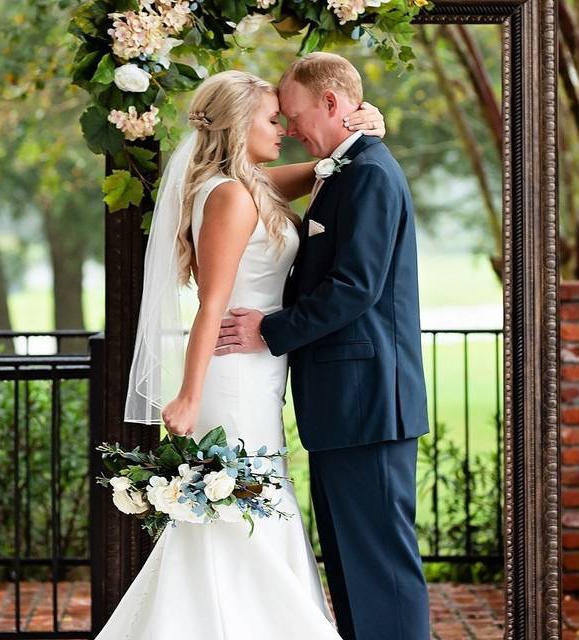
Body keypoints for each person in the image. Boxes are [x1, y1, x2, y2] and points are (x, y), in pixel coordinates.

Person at [97, 69, 386, 639]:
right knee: (236, 514)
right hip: (231, 373)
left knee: (248, 508)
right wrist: (188, 395)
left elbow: (330, 165)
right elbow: (211, 305)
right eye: (271, 120)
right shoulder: (230, 196)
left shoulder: (250, 185)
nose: (283, 129)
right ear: (237, 127)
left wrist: (369, 126)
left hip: (259, 371)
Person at [215, 53, 431, 640]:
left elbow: (354, 287)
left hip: (368, 405)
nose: (288, 127)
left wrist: (270, 329)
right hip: (346, 406)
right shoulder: (345, 169)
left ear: (331, 104)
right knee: (353, 568)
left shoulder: (370, 174)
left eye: (293, 112)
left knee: (382, 569)